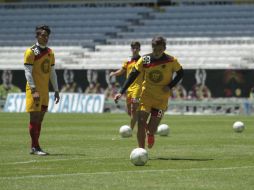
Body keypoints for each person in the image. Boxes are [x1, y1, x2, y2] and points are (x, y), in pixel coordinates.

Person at [114, 36, 184, 149]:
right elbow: (133, 75)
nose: (157, 52)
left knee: (152, 128)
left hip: (161, 99)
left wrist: (170, 86)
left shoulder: (171, 60)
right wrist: (121, 91)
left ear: (164, 48)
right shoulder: (146, 59)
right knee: (141, 122)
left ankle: (150, 134)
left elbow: (181, 73)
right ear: (152, 47)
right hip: (146, 95)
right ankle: (141, 150)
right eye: (155, 49)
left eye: (160, 49)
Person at [24, 25, 60, 156]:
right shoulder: (31, 52)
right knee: (34, 116)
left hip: (45, 91)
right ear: (37, 36)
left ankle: (36, 146)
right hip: (34, 89)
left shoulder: (50, 52)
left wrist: (56, 89)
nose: (45, 38)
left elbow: (52, 72)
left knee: (40, 118)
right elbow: (27, 72)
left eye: (47, 36)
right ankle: (35, 147)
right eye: (43, 35)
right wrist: (33, 89)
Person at [109, 41, 143, 130]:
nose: (135, 50)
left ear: (139, 49)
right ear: (131, 49)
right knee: (129, 112)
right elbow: (122, 71)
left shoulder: (142, 61)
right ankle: (142, 121)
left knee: (133, 109)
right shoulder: (128, 61)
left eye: (136, 48)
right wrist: (114, 73)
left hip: (138, 88)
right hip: (129, 88)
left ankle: (130, 130)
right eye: (133, 48)